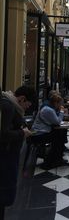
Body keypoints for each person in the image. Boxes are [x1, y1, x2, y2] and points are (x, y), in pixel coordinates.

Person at [0, 85, 37, 219]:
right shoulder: (9, 107)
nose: (27, 107)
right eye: (28, 104)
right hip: (6, 157)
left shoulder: (10, 105)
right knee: (5, 194)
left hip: (8, 155)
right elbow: (3, 134)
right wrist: (22, 132)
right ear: (22, 99)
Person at [31, 92, 67, 169]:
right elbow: (57, 121)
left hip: (40, 132)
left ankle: (57, 159)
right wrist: (61, 111)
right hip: (38, 134)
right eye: (59, 104)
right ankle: (49, 162)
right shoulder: (48, 110)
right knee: (58, 138)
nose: (60, 105)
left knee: (60, 134)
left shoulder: (47, 106)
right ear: (55, 103)